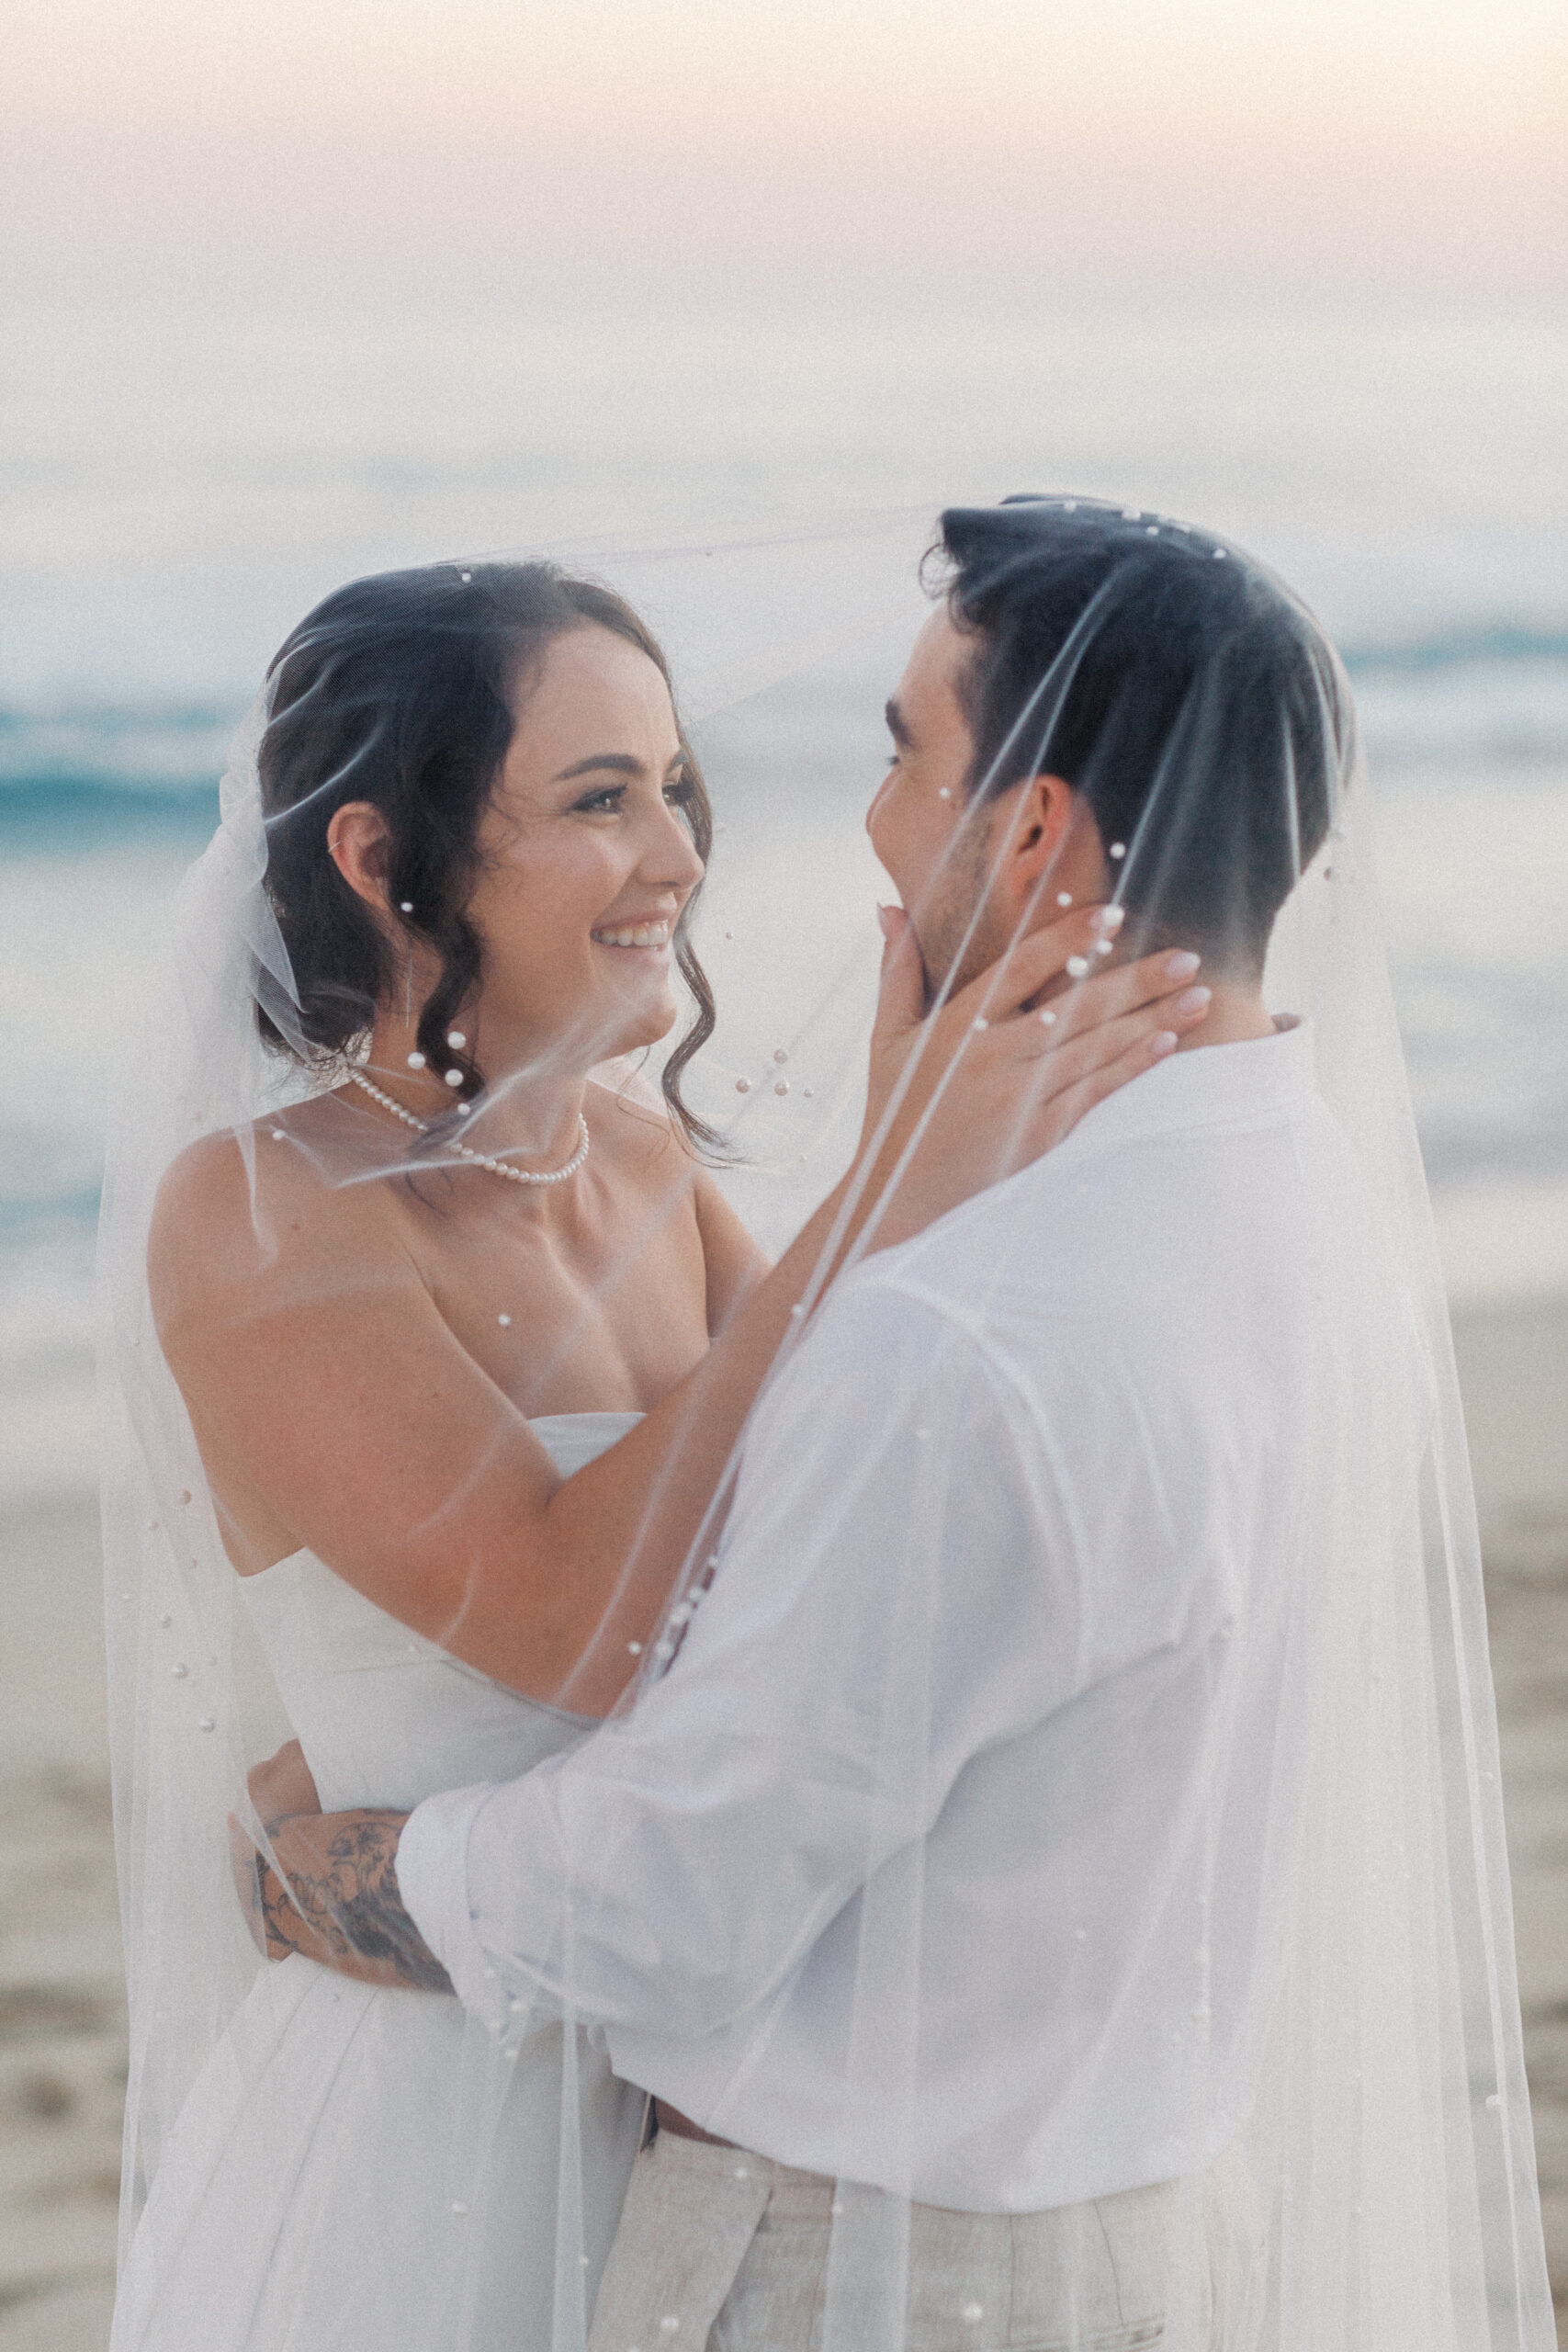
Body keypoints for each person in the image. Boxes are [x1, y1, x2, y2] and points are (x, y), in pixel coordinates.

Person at [244, 501, 1554, 2352]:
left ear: (1029, 830)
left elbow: (673, 1897)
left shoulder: (959, 1326)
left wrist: (329, 1874)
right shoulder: (1315, 1218)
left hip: (844, 2271)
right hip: (1149, 2227)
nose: (846, 817)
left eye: (899, 750)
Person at [102, 550, 1209, 2352]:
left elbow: (840, 1518)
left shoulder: (639, 1168)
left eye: (675, 787)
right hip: (437, 2122)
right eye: (600, 799)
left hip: (721, 2082)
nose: (679, 857)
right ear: (382, 859)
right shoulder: (257, 1215)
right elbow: (567, 1613)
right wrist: (880, 1188)